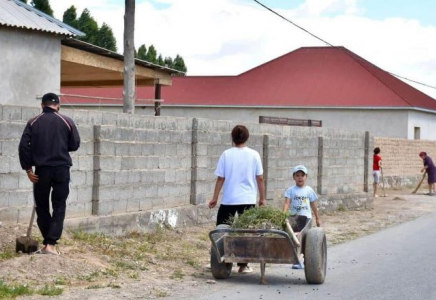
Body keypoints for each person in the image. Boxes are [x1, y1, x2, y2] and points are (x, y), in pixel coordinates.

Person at [19, 93, 80, 255]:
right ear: (58, 105)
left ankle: (48, 242)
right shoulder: (67, 121)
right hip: (62, 169)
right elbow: (75, 145)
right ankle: (50, 245)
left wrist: (28, 169)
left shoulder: (33, 122)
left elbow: (24, 146)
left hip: (41, 171)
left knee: (42, 206)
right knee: (59, 205)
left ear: (42, 105)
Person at [209, 125, 265, 274]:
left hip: (229, 200)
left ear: (232, 138)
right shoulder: (254, 155)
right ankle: (243, 265)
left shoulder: (226, 154)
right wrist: (262, 199)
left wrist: (215, 198)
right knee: (246, 233)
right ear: (247, 137)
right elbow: (259, 178)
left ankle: (220, 259)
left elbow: (221, 178)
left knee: (221, 231)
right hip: (247, 200)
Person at [283, 165, 321, 269]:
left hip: (306, 218)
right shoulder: (291, 190)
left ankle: (304, 259)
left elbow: (313, 205)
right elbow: (287, 203)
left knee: (305, 239)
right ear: (293, 177)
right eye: (297, 175)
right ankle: (297, 260)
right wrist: (283, 215)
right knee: (295, 237)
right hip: (294, 218)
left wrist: (317, 218)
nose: (300, 177)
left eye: (302, 175)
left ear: (306, 177)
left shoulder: (309, 190)